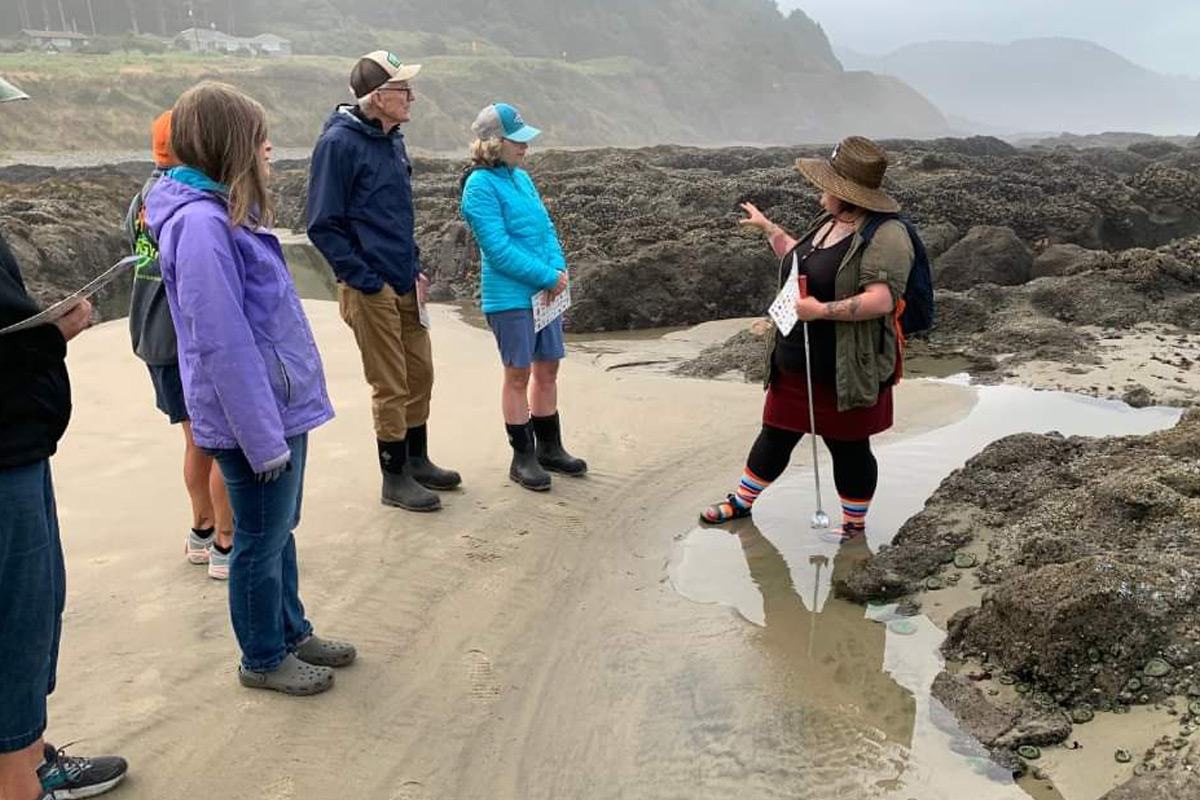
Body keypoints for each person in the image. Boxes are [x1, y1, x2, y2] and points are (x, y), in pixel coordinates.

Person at [146, 81, 355, 696]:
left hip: (276, 407)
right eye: (258, 137)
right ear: (227, 144)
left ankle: (292, 632)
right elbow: (223, 345)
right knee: (259, 543)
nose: (269, 147)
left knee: (278, 530)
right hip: (252, 420)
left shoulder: (224, 212)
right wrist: (262, 439)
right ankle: (263, 657)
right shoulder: (203, 225)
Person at [0, 75, 129, 800]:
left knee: (31, 611)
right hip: (5, 449)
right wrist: (51, 334)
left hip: (20, 439)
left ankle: (33, 753)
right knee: (18, 624)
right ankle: (22, 776)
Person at [701, 136, 914, 540]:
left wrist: (820, 311)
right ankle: (742, 502)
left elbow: (882, 299)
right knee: (776, 432)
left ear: (846, 192)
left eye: (826, 185)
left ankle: (853, 527)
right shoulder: (831, 222)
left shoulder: (886, 236)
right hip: (796, 358)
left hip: (847, 367)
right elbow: (802, 262)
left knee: (848, 446)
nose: (820, 192)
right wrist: (770, 230)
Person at [307, 50, 460, 513]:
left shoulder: (393, 139)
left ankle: (416, 458)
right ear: (377, 97)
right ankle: (394, 478)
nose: (412, 97)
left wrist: (414, 266)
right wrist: (366, 280)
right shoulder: (339, 144)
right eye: (402, 90)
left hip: (403, 278)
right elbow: (322, 223)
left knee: (421, 373)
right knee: (390, 383)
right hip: (369, 285)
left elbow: (396, 214)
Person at [126, 110, 234, 579]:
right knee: (217, 440)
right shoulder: (189, 202)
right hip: (181, 334)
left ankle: (201, 530)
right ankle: (227, 542)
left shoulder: (144, 198)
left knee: (193, 439)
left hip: (149, 331)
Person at [459, 102, 587, 491]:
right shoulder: (478, 185)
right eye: (518, 141)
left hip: (545, 293)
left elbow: (545, 228)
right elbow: (497, 249)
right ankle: (523, 457)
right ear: (495, 142)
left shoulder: (522, 179)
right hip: (510, 297)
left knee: (548, 367)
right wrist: (548, 275)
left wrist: (558, 270)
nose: (525, 147)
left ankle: (550, 448)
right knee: (518, 374)